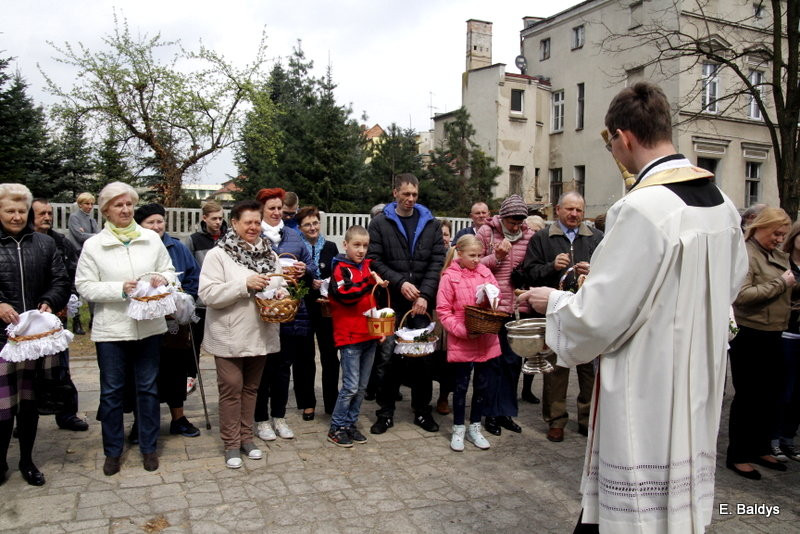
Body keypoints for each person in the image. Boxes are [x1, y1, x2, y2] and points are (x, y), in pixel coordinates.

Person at [519, 81, 747, 533]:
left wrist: (556, 302)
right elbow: (730, 285)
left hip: (649, 381)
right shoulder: (723, 205)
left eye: (612, 146)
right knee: (679, 500)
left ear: (622, 137)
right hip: (698, 375)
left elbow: (600, 316)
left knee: (635, 507)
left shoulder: (643, 208)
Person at [75, 181, 177, 477]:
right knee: (111, 392)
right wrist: (119, 289)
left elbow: (169, 271)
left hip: (148, 328)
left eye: (129, 204)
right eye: (118, 205)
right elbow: (84, 286)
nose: (125, 209)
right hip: (112, 331)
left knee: (147, 389)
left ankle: (148, 446)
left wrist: (161, 278)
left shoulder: (150, 238)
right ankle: (112, 451)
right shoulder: (94, 245)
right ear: (106, 210)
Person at [198, 199, 280, 469]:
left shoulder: (270, 253)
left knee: (251, 387)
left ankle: (247, 437)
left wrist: (281, 291)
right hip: (229, 335)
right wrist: (243, 284)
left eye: (257, 222)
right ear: (234, 223)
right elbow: (207, 294)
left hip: (260, 332)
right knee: (231, 389)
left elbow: (279, 281)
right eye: (248, 222)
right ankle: (231, 443)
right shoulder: (218, 254)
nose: (254, 227)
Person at [0, 183, 70, 487]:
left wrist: (50, 301)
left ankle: (27, 461)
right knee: (3, 407)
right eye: (9, 211)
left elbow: (60, 280)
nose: (16, 217)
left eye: (20, 211)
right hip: (2, 341)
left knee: (29, 405)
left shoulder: (44, 244)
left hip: (35, 341)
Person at [367, 173, 446, 435]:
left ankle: (422, 411)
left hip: (421, 303)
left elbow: (437, 262)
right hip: (392, 301)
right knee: (388, 358)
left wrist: (425, 294)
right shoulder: (380, 223)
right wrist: (400, 282)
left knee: (424, 359)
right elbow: (374, 260)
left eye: (414, 194)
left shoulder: (431, 224)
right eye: (405, 194)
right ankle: (385, 412)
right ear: (395, 193)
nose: (410, 199)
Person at [519, 191, 601, 443]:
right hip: (556, 313)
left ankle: (588, 419)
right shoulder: (543, 238)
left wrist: (594, 270)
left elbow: (610, 274)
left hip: (587, 312)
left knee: (589, 368)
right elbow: (528, 273)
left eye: (578, 210)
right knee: (556, 367)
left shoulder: (596, 237)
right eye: (569, 209)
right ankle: (556, 420)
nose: (574, 214)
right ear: (558, 210)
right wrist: (550, 267)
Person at [727, 207, 794, 479]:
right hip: (751, 333)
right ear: (761, 227)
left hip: (774, 331)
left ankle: (761, 447)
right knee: (749, 397)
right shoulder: (745, 254)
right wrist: (782, 282)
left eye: (783, 235)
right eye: (776, 233)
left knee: (771, 395)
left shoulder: (773, 254)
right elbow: (741, 295)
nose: (780, 239)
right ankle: (738, 455)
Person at [133, 203, 202, 439]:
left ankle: (178, 418)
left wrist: (185, 299)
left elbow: (193, 278)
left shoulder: (177, 247)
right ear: (140, 225)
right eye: (150, 222)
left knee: (175, 369)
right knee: (145, 372)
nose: (156, 226)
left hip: (174, 323)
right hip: (144, 322)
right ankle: (140, 421)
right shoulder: (135, 248)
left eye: (159, 221)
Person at [253, 188, 316, 440]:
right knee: (263, 369)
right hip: (263, 313)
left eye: (280, 208)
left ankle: (278, 416)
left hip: (290, 312)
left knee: (283, 368)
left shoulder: (293, 235)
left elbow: (311, 266)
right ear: (261, 211)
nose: (277, 212)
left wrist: (304, 270)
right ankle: (260, 419)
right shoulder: (254, 236)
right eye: (272, 208)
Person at [476, 194, 535, 436]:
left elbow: (533, 266)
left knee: (512, 364)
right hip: (491, 309)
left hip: (517, 310)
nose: (516, 226)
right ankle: (488, 413)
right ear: (502, 217)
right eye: (512, 221)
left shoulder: (529, 235)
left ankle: (505, 413)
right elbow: (473, 265)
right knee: (491, 363)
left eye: (520, 221)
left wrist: (524, 275)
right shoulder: (486, 233)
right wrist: (497, 257)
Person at [29, 198, 89, 432]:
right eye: (41, 213)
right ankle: (26, 415)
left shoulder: (59, 241)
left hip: (56, 313)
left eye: (49, 213)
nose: (47, 217)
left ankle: (67, 414)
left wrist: (70, 295)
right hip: (26, 316)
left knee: (60, 368)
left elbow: (71, 272)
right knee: (27, 371)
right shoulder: (19, 243)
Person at [437, 234, 501, 451]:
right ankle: (458, 428)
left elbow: (495, 298)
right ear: (460, 253)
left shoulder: (486, 271)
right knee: (461, 385)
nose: (476, 260)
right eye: (472, 255)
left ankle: (474, 427)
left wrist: (491, 299)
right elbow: (443, 311)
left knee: (482, 385)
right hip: (463, 340)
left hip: (485, 337)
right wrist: (463, 331)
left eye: (479, 256)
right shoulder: (449, 276)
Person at [326, 225, 387, 447]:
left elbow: (374, 302)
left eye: (365, 246)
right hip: (350, 337)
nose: (361, 250)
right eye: (356, 245)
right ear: (346, 245)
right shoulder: (340, 268)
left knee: (361, 387)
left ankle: (350, 425)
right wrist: (370, 282)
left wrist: (380, 329)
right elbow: (346, 295)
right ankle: (337, 426)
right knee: (350, 387)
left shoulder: (369, 267)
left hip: (369, 335)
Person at [296, 206, 340, 415]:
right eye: (307, 224)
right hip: (303, 307)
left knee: (330, 355)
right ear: (300, 228)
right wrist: (308, 280)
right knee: (304, 355)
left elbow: (339, 275)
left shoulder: (331, 247)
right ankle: (307, 402)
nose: (312, 227)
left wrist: (327, 283)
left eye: (315, 223)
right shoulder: (297, 248)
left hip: (326, 308)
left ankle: (332, 403)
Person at [184, 200, 228, 395]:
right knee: (195, 342)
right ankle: (190, 375)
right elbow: (190, 269)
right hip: (201, 302)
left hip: (225, 299)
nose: (218, 222)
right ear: (204, 218)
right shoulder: (193, 240)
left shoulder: (230, 238)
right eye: (214, 219)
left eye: (220, 218)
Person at [776, 221, 800, 462]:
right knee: (784, 388)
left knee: (798, 394)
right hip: (786, 331)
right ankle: (774, 439)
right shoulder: (783, 262)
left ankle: (788, 438)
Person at [67, 191, 99, 334]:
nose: (90, 206)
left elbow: (96, 237)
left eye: (92, 204)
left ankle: (93, 318)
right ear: (80, 204)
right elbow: (80, 237)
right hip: (75, 256)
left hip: (89, 256)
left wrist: (90, 235)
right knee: (75, 290)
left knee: (92, 285)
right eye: (87, 203)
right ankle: (76, 321)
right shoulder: (74, 217)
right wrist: (94, 235)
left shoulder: (91, 220)